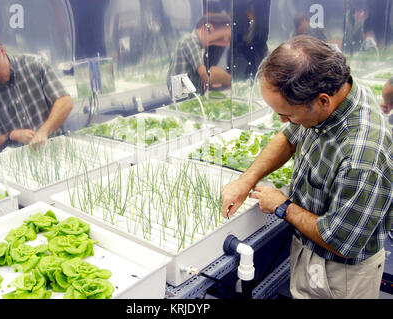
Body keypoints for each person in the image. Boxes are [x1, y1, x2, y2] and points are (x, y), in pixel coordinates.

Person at [221, 35, 392, 299]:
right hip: (311, 255)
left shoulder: (363, 157)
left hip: (341, 276)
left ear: (322, 101)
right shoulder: (336, 96)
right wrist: (246, 180)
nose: (283, 120)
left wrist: (283, 206)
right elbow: (289, 138)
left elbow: (339, 240)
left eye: (288, 114)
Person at [0, 29, 73, 151]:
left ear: (2, 51)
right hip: (16, 157)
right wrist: (11, 136)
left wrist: (44, 131)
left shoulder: (34, 65)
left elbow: (65, 102)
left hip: (55, 147)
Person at [167, 12, 232, 97]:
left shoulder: (199, 47)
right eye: (222, 38)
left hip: (189, 96)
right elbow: (205, 76)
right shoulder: (190, 41)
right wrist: (229, 79)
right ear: (207, 28)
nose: (225, 44)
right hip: (182, 96)